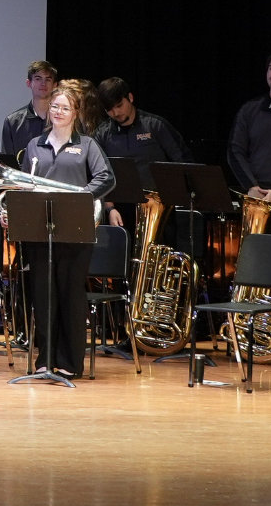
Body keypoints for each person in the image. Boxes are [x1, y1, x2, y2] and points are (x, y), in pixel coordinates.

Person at [16, 81, 113, 379]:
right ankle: (44, 360)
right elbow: (24, 185)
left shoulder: (87, 145)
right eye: (55, 106)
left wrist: (80, 196)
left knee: (70, 297)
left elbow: (106, 177)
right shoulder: (35, 144)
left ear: (75, 113)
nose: (58, 111)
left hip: (75, 230)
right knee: (43, 297)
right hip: (41, 232)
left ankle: (70, 362)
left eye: (65, 108)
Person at [94, 77, 188, 230]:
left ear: (130, 98)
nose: (116, 112)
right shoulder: (102, 134)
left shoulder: (155, 125)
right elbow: (99, 174)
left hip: (158, 209)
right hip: (121, 211)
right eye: (110, 110)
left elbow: (182, 161)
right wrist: (110, 209)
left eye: (119, 105)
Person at [228, 50, 271, 229]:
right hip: (256, 199)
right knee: (256, 254)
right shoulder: (250, 110)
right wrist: (251, 187)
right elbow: (235, 151)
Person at [0, 60, 60, 167]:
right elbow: (8, 164)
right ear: (29, 83)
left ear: (55, 85)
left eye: (48, 79)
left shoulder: (64, 119)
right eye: (38, 79)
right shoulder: (12, 121)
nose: (43, 83)